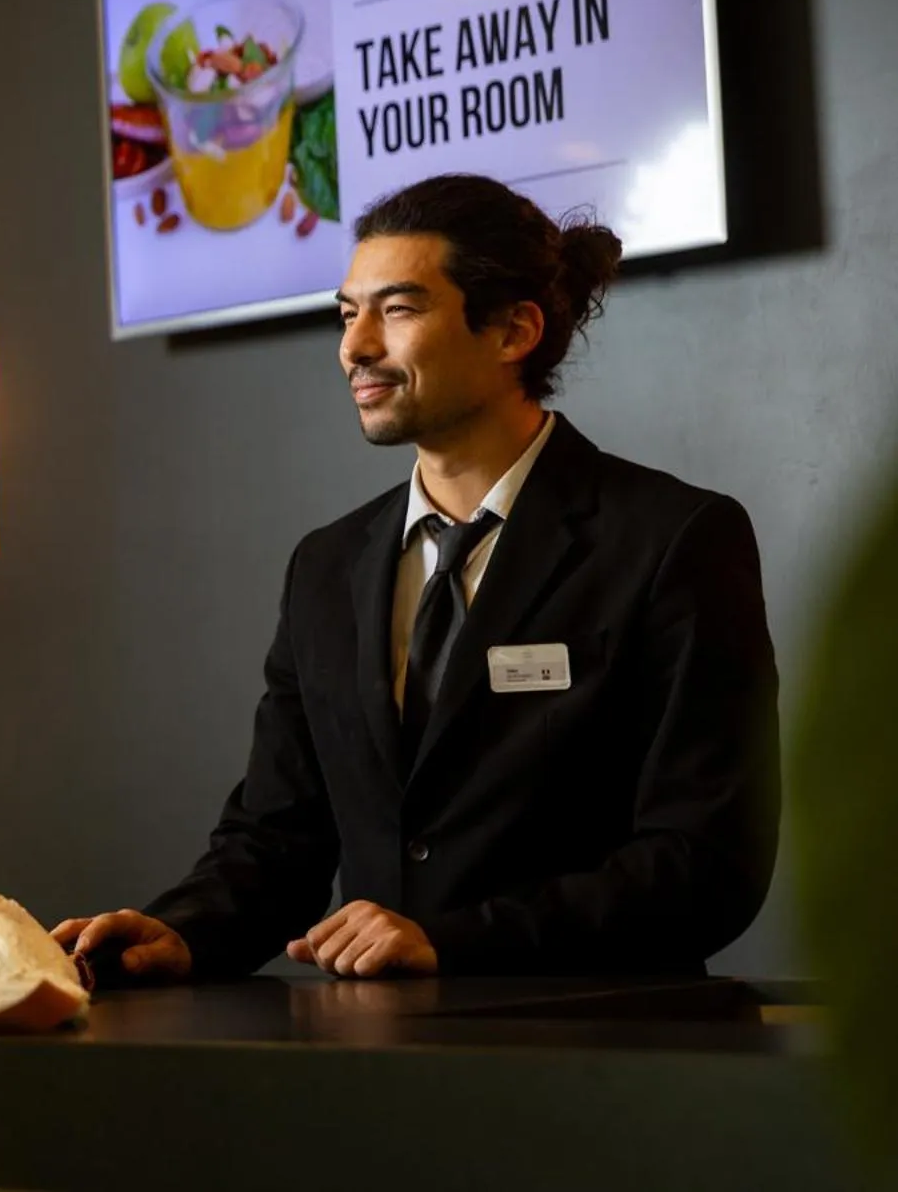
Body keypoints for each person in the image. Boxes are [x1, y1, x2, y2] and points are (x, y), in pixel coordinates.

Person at [57, 174, 780, 980]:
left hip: (607, 1062)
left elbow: (706, 863)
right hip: (388, 1078)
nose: (355, 345)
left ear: (513, 331)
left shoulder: (672, 538)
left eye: (397, 310)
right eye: (347, 312)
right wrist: (180, 931)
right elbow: (276, 839)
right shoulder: (326, 568)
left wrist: (455, 941)